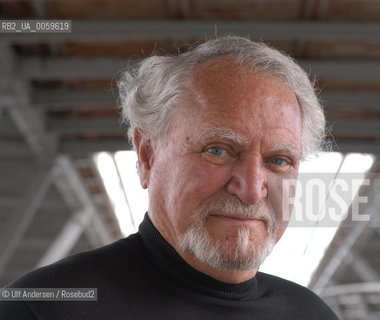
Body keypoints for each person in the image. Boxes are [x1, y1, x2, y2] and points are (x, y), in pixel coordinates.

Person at [0, 36, 338, 319]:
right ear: (147, 155)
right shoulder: (41, 310)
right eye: (218, 150)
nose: (250, 190)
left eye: (279, 160)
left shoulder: (311, 314)